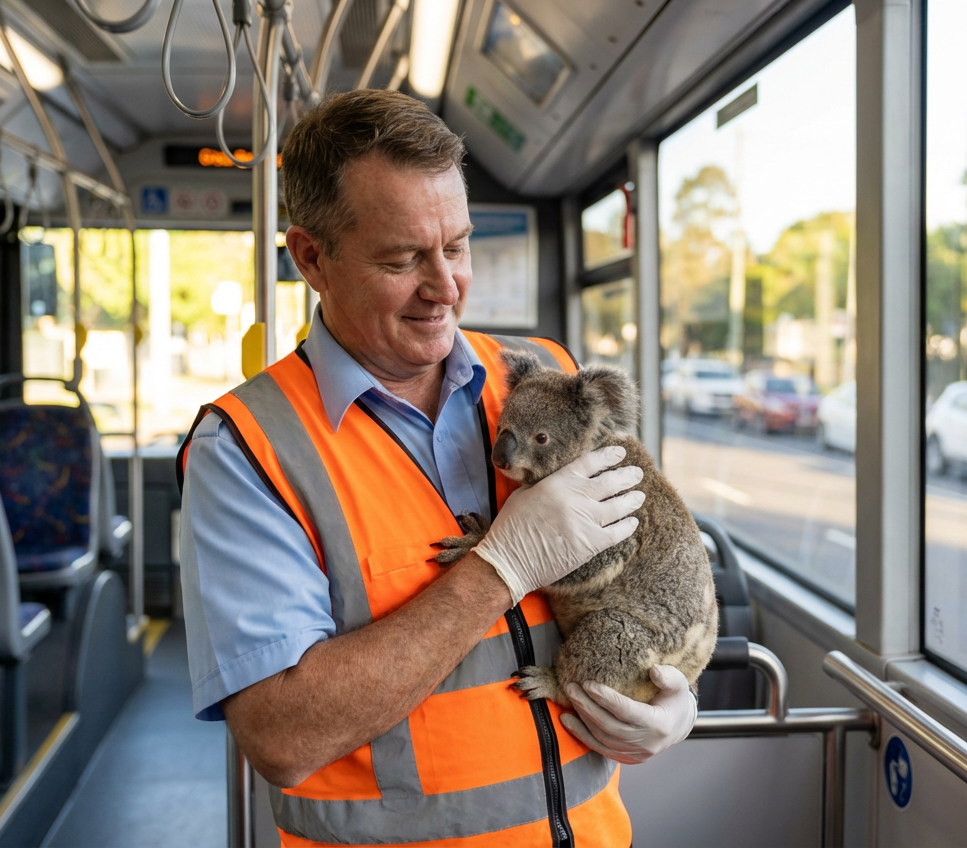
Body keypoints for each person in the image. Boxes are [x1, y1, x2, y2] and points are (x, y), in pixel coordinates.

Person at [178, 89, 697, 847]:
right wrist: (502, 566)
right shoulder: (248, 448)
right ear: (311, 258)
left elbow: (652, 557)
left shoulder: (544, 377)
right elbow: (282, 738)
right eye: (401, 259)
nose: (444, 286)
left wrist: (670, 698)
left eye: (455, 246)